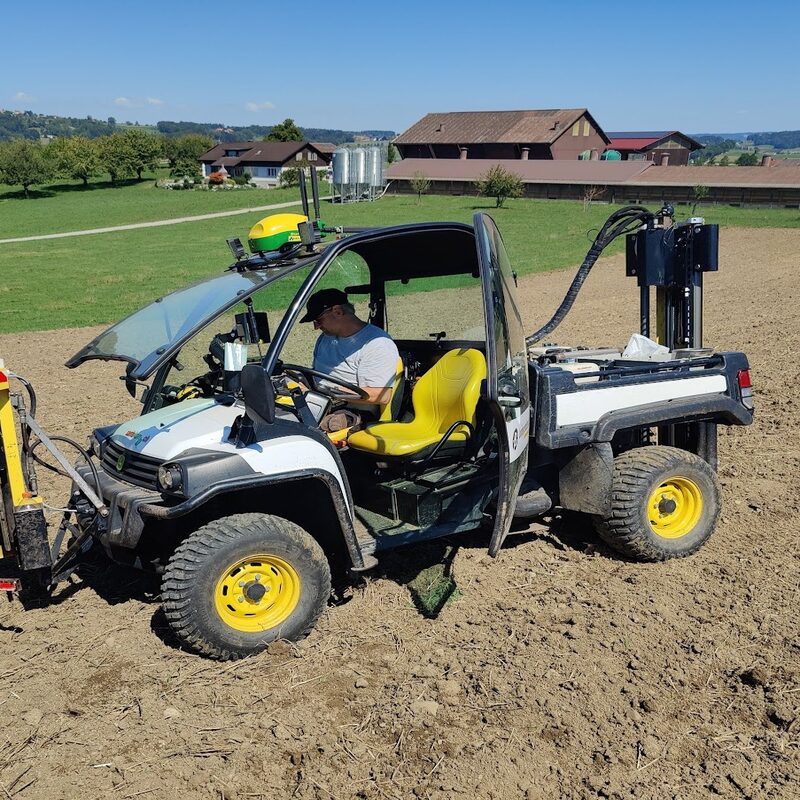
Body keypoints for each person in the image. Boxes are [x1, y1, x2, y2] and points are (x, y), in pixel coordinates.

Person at [299, 288, 399, 432]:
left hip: (354, 410)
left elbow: (380, 395)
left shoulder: (377, 343)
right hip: (321, 400)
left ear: (338, 311)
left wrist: (323, 391)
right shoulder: (325, 339)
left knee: (325, 425)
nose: (316, 327)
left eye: (318, 320)